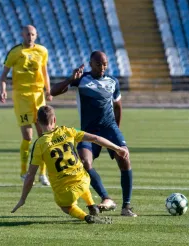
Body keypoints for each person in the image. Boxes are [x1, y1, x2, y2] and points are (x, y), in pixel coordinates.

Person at [50, 51, 137, 217]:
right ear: (91, 64)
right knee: (84, 162)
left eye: (105, 64)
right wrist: (70, 78)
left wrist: (116, 131)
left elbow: (118, 107)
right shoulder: (81, 79)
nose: (102, 68)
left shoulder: (113, 82)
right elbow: (53, 92)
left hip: (109, 128)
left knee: (125, 158)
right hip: (88, 131)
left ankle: (126, 206)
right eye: (99, 64)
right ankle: (106, 198)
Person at [11, 105, 129, 224]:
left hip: (65, 191)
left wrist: (22, 199)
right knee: (82, 175)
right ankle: (91, 204)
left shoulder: (40, 144)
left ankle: (86, 217)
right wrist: (117, 148)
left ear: (37, 121)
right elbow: (95, 138)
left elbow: (31, 175)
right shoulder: (68, 131)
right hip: (83, 181)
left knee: (65, 206)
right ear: (54, 120)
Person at [0, 25, 52, 185]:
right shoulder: (15, 52)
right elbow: (3, 75)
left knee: (43, 135)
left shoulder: (42, 51)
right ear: (22, 35)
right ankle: (24, 171)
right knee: (28, 137)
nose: (30, 36)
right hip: (21, 97)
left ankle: (43, 174)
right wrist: (3, 91)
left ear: (36, 35)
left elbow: (44, 72)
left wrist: (48, 90)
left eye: (33, 34)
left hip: (38, 96)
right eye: (27, 34)